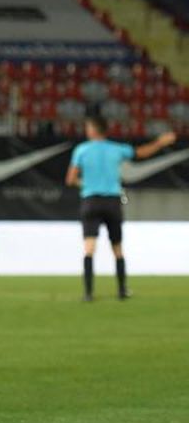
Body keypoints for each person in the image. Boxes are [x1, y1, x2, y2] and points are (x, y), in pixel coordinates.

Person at [65, 114, 177, 301]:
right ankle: (122, 290)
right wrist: (160, 143)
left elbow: (70, 179)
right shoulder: (116, 149)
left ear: (93, 130)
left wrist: (84, 184)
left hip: (90, 200)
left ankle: (88, 293)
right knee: (117, 247)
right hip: (112, 201)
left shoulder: (81, 150)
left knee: (89, 248)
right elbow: (141, 153)